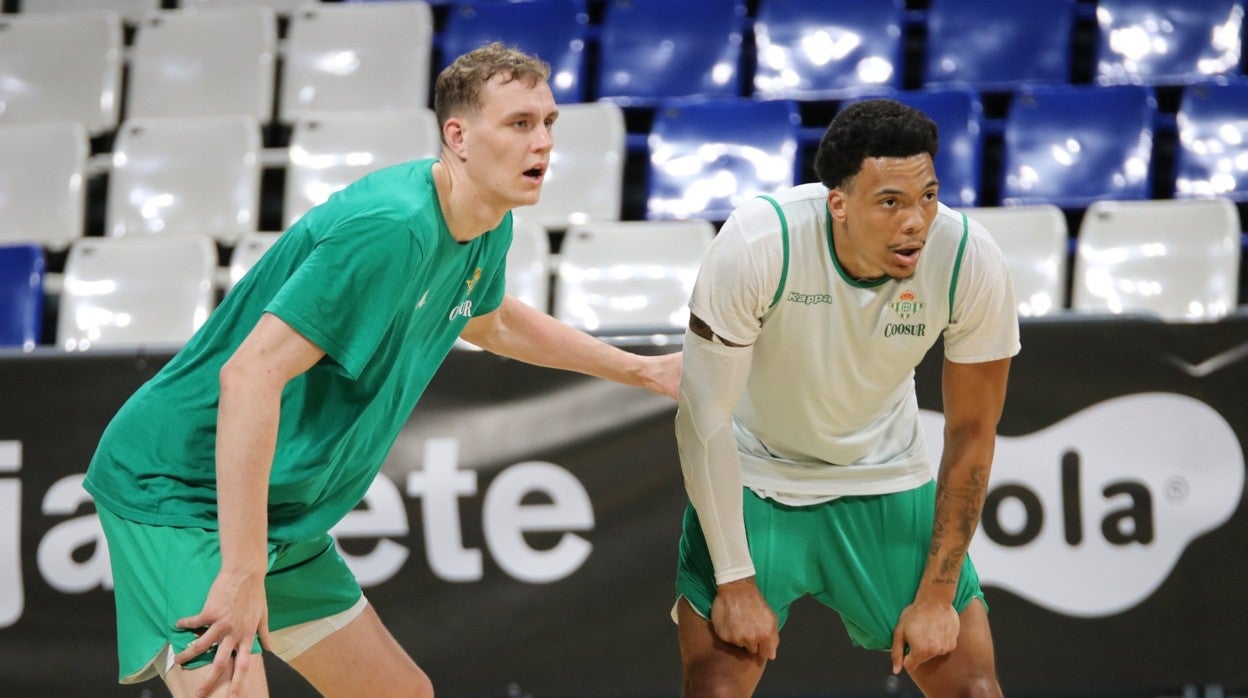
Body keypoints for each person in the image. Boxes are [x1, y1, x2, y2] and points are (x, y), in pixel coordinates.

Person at [84, 43, 680, 698]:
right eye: (518, 124)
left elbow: (492, 320)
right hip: (179, 488)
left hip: (280, 508)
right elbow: (248, 376)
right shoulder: (390, 226)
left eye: (548, 123)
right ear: (457, 135)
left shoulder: (485, 221)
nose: (542, 142)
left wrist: (645, 373)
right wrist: (242, 570)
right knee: (228, 689)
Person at [672, 98, 1019, 696]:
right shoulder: (759, 243)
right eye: (891, 202)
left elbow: (972, 432)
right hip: (755, 477)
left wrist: (938, 595)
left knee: (974, 690)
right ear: (839, 203)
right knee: (716, 689)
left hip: (885, 477)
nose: (917, 221)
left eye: (928, 197)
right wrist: (733, 581)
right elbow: (702, 419)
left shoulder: (969, 257)